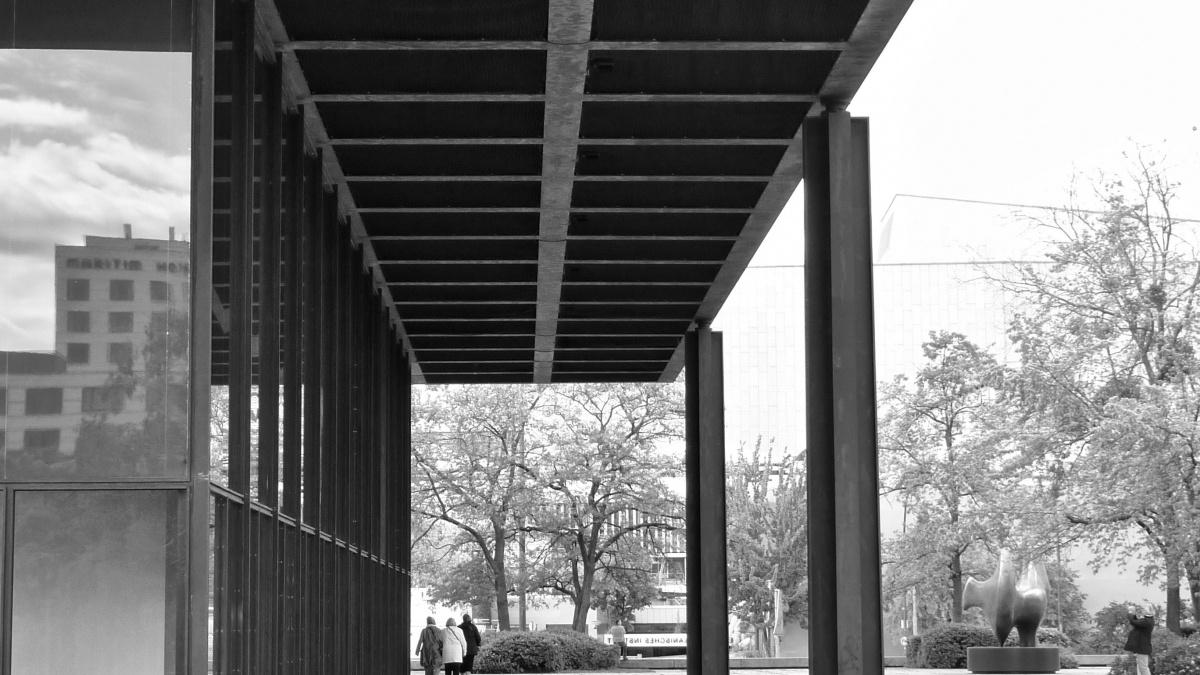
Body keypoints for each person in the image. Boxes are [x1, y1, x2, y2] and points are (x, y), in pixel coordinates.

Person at [1124, 609, 1155, 675]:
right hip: (1141, 648)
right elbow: (1136, 622)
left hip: (1142, 648)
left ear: (1146, 612)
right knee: (1140, 666)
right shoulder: (1147, 620)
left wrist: (1131, 613)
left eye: (1143, 610)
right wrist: (1134, 615)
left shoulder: (1146, 621)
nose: (1142, 611)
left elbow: (1133, 622)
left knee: (1143, 667)